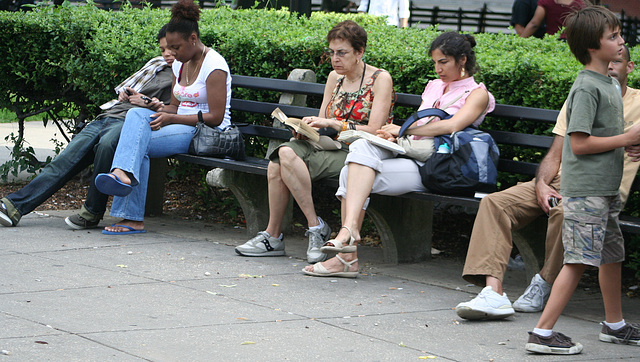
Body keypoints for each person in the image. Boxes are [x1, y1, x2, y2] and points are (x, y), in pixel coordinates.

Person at [455, 44, 640, 320]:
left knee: (566, 212)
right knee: (495, 203)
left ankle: (544, 283)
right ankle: (494, 292)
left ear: (630, 67)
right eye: (609, 61)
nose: (612, 66)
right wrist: (542, 183)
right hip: (557, 180)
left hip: (595, 188)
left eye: (619, 61)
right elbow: (557, 150)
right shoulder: (584, 92)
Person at [303, 31, 495, 278]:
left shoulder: (478, 93)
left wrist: (404, 130)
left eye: (444, 62)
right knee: (358, 155)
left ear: (462, 60)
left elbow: (451, 126)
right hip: (410, 155)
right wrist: (393, 136)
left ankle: (346, 252)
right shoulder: (435, 86)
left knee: (351, 173)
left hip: (438, 166)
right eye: (435, 62)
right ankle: (349, 238)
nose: (438, 69)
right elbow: (420, 131)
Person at [524, 7, 640, 355]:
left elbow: (606, 138)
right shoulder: (587, 87)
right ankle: (542, 333)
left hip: (604, 190)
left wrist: (629, 143)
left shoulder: (606, 82)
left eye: (620, 34)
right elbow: (579, 143)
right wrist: (626, 137)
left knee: (610, 256)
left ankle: (614, 325)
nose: (621, 42)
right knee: (577, 260)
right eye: (613, 37)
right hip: (586, 191)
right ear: (593, 47)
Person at [235, 20, 395, 263]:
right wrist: (305, 130)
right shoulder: (335, 78)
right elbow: (322, 120)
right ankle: (308, 227)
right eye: (332, 53)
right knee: (281, 157)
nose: (335, 59)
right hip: (327, 146)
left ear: (360, 52)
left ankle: (280, 235)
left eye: (342, 53)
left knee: (281, 159)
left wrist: (334, 124)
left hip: (359, 152)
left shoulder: (380, 79)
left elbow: (374, 130)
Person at [0, 25, 174, 229]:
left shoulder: (184, 75)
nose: (167, 54)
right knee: (65, 160)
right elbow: (125, 88)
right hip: (109, 115)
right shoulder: (156, 64)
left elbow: (174, 109)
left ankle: (91, 213)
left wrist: (145, 102)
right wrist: (126, 94)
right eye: (163, 49)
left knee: (106, 147)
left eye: (171, 48)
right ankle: (13, 206)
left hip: (131, 123)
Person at [94, 0, 231, 235]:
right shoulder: (181, 64)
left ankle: (130, 210)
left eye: (176, 47)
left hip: (207, 131)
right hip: (181, 124)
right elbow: (175, 107)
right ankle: (123, 178)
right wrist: (150, 105)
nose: (172, 53)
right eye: (169, 47)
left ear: (193, 39)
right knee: (137, 115)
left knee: (139, 144)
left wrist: (171, 119)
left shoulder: (215, 66)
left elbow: (216, 118)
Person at [519, 0, 586, 39]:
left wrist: (520, 41)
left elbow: (534, 24)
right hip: (572, 42)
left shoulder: (547, 1)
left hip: (552, 41)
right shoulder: (580, 3)